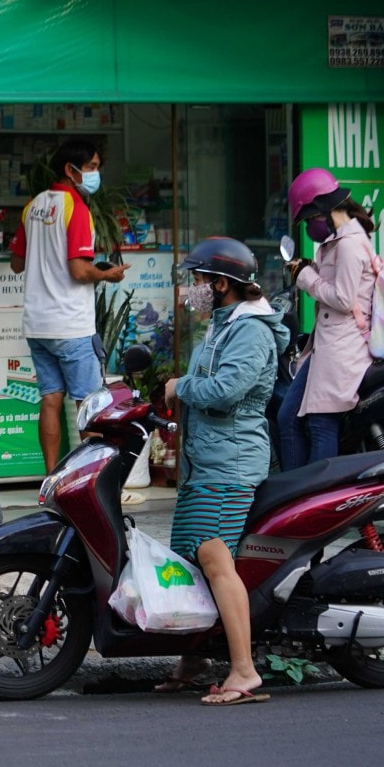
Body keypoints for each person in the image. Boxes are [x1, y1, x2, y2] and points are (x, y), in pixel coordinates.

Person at [158, 237, 288, 706]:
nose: (192, 289)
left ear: (221, 283)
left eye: (198, 281)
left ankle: (244, 670)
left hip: (231, 462)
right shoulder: (222, 323)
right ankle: (195, 661)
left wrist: (179, 385)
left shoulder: (250, 330)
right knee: (190, 559)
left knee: (214, 557)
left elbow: (227, 389)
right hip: (205, 459)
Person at [9, 140, 129, 474]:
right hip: (72, 325)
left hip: (37, 324)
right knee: (89, 407)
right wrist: (107, 274)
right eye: (91, 167)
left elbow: (17, 263)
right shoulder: (76, 207)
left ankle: (50, 480)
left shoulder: (32, 207)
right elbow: (79, 270)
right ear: (70, 169)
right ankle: (87, 484)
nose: (95, 174)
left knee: (50, 399)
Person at [278, 168, 377, 470]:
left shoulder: (348, 244)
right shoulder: (340, 240)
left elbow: (345, 299)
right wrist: (310, 269)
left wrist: (306, 277)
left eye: (309, 219)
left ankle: (317, 505)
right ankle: (295, 497)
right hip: (326, 347)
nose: (309, 226)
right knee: (288, 418)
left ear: (323, 211)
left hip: (342, 349)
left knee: (321, 425)